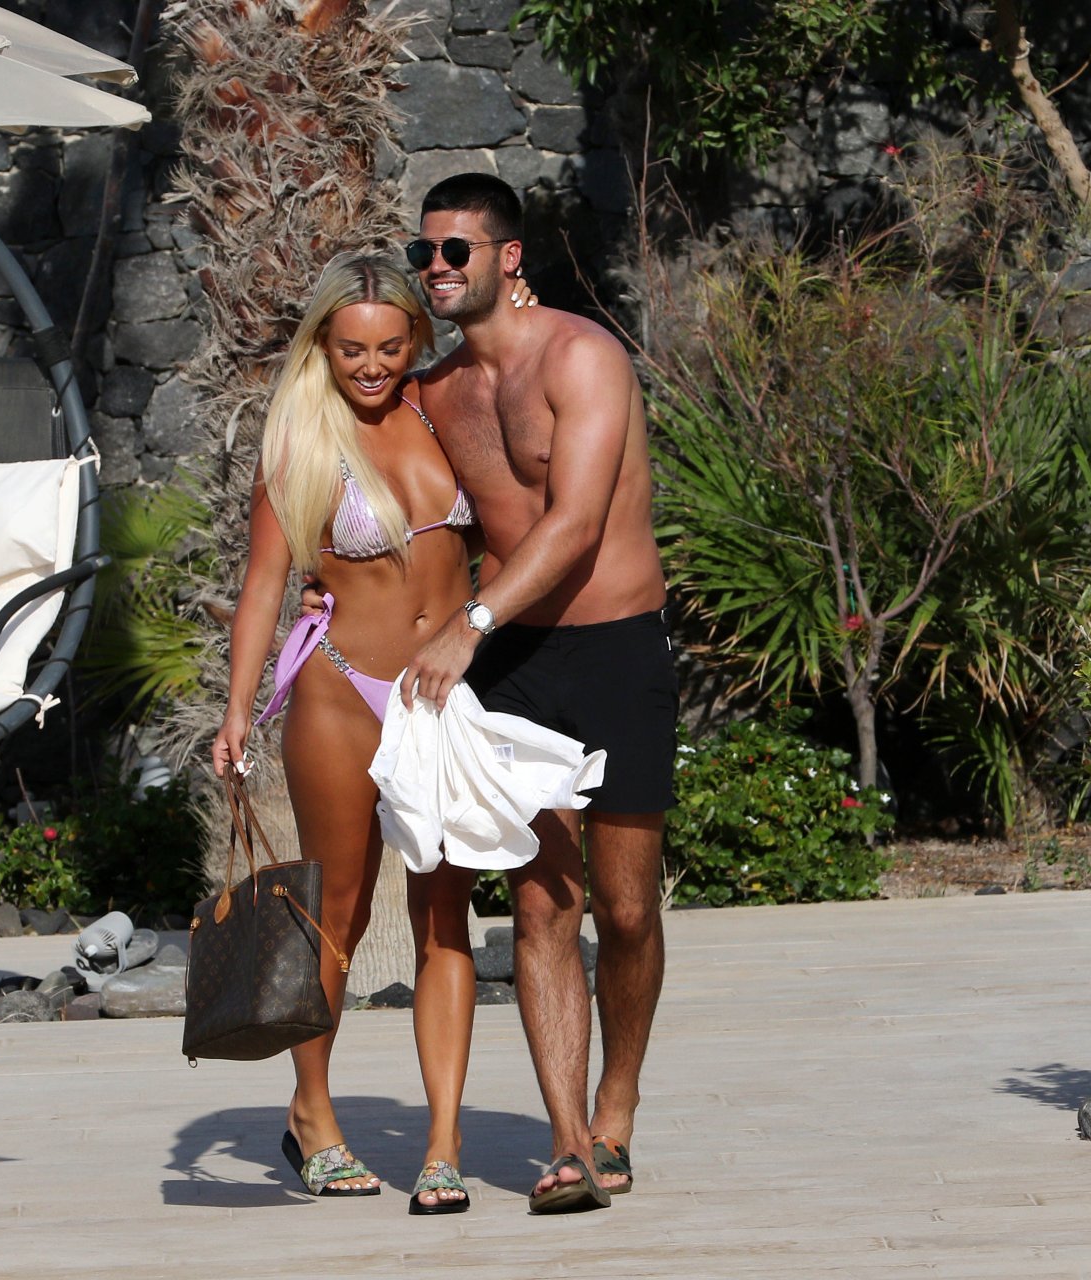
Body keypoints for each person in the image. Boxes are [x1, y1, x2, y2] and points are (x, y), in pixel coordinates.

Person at [400, 174, 677, 1214]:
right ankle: (569, 1144)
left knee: (628, 909)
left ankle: (617, 1100)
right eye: (425, 251)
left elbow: (574, 522)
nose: (436, 268)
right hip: (516, 661)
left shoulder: (582, 357)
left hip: (615, 648)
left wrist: (465, 623)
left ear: (508, 257)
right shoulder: (435, 390)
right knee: (541, 902)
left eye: (456, 251)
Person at [211, 250, 503, 1215]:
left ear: (416, 337)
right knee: (335, 914)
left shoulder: (445, 413)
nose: (371, 366)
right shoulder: (303, 441)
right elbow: (264, 582)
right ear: (323, 348)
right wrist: (236, 710)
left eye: (388, 346)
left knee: (444, 915)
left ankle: (443, 1145)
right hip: (341, 692)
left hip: (441, 697)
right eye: (350, 350)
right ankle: (314, 1114)